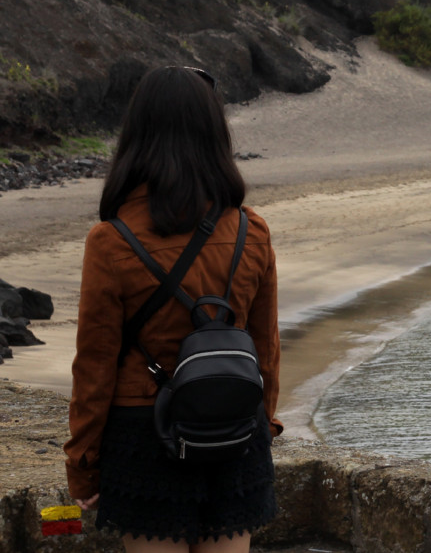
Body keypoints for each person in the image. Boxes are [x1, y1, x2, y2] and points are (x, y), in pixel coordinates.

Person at [64, 66, 282, 553]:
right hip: (234, 429)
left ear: (137, 134)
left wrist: (84, 467)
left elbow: (94, 367)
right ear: (214, 133)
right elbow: (265, 350)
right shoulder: (252, 233)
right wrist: (262, 429)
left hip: (144, 435)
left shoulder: (111, 241)